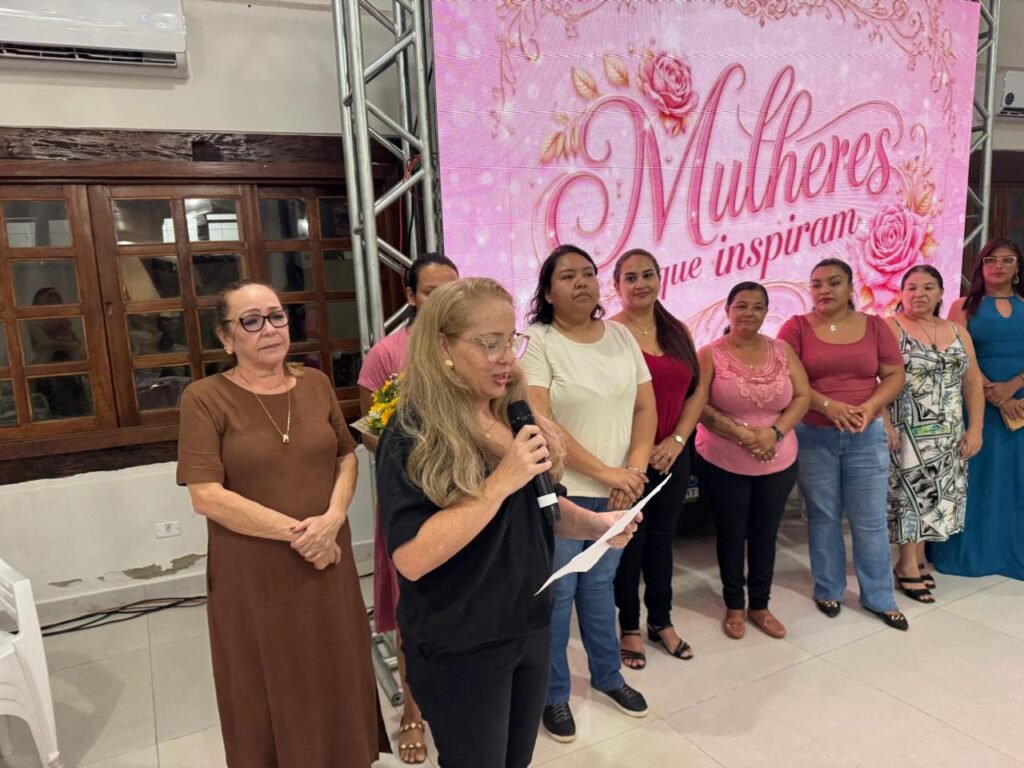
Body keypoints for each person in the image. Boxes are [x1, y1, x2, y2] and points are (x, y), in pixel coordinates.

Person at [375, 277, 639, 768]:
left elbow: (544, 506)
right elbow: (411, 558)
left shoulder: (511, 415)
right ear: (443, 346)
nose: (505, 358)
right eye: (488, 343)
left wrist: (597, 525)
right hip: (462, 643)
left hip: (530, 625)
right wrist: (499, 482)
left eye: (510, 340)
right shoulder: (413, 432)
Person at [176, 279, 384, 767]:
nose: (268, 329)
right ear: (226, 337)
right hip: (256, 575)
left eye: (276, 316)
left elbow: (346, 457)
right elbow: (206, 496)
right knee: (270, 681)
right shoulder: (204, 398)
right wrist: (305, 535)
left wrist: (332, 519)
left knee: (335, 667)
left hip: (328, 560)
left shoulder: (315, 383)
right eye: (251, 321)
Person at [521, 244, 656, 743]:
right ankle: (552, 693)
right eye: (567, 276)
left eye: (588, 273)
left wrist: (632, 473)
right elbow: (543, 421)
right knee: (559, 594)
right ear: (548, 291)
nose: (581, 282)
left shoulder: (620, 336)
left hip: (619, 490)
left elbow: (645, 409)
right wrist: (607, 474)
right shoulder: (538, 341)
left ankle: (608, 676)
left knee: (601, 588)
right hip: (562, 495)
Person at [357, 252, 459, 765]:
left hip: (466, 499)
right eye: (432, 291)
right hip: (412, 502)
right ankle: (413, 713)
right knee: (411, 609)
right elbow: (371, 434)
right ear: (411, 297)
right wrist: (420, 449)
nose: (444, 300)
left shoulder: (469, 344)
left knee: (461, 602)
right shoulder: (387, 354)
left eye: (452, 289)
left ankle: (463, 694)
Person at [778, 258, 909, 630]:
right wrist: (827, 406)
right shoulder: (796, 327)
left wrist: (870, 407)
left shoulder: (875, 326)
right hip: (813, 434)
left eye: (834, 282)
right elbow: (787, 377)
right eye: (816, 283)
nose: (824, 290)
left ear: (851, 287)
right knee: (823, 516)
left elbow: (894, 374)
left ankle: (880, 597)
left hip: (865, 435)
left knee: (870, 520)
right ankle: (828, 589)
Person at [695, 282, 810, 639]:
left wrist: (773, 434)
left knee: (765, 534)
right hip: (724, 458)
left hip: (778, 457)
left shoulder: (782, 350)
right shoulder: (709, 354)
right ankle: (734, 604)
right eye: (741, 306)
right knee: (732, 533)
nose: (749, 313)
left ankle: (759, 604)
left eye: (757, 307)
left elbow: (802, 397)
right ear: (727, 310)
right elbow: (698, 405)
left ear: (765, 312)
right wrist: (744, 436)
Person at [609, 248, 705, 669]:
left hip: (673, 455)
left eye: (647, 275)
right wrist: (642, 449)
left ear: (660, 279)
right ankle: (629, 625)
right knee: (630, 542)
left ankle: (661, 621)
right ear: (616, 286)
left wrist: (678, 441)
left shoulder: (677, 330)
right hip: (628, 456)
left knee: (663, 540)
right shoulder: (611, 333)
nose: (640, 284)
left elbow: (695, 392)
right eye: (630, 277)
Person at [883, 265, 985, 601]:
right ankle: (906, 565)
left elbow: (972, 383)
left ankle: (917, 558)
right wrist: (884, 424)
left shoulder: (958, 331)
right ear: (901, 293)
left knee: (936, 496)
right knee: (910, 496)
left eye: (928, 287)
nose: (919, 294)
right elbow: (872, 380)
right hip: (907, 430)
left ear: (941, 293)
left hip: (949, 432)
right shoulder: (890, 327)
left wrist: (975, 428)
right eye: (911, 287)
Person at [929, 238, 1024, 579]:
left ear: (1018, 268)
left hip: (1020, 404)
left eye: (1007, 260)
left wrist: (1014, 386)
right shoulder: (963, 306)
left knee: (1016, 477)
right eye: (990, 260)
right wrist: (995, 394)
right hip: (976, 403)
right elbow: (956, 356)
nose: (998, 266)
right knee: (976, 477)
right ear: (981, 266)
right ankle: (972, 550)